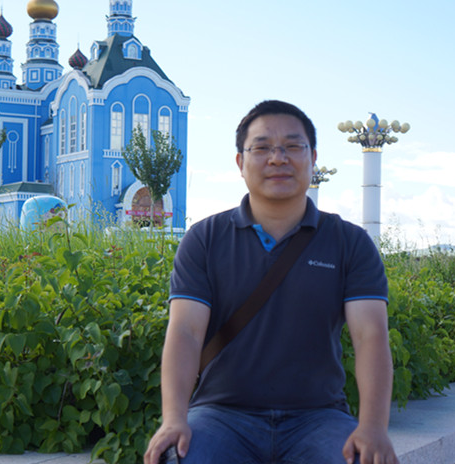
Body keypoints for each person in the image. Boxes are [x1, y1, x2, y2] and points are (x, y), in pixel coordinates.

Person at [144, 100, 399, 464]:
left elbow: (370, 335)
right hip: (220, 415)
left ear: (312, 158)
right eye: (262, 148)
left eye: (292, 146)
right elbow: (185, 332)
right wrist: (174, 418)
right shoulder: (205, 239)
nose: (278, 158)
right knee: (182, 457)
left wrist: (373, 427)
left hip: (318, 416)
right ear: (240, 162)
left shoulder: (349, 242)